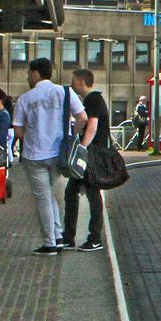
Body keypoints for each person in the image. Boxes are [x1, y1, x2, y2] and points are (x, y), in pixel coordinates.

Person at [12, 58, 89, 255]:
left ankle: (50, 243)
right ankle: (58, 236)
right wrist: (70, 136)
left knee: (43, 198)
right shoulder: (65, 92)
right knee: (49, 194)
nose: (28, 77)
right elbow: (82, 118)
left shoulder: (25, 99)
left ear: (36, 73)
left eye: (29, 73)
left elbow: (18, 131)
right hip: (59, 154)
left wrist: (33, 136)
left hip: (34, 155)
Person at [62, 68, 110, 251]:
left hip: (91, 155)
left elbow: (92, 126)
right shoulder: (93, 99)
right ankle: (72, 237)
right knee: (76, 192)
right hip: (92, 153)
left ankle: (93, 238)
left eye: (73, 81)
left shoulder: (92, 99)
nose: (72, 84)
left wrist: (81, 147)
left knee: (90, 193)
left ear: (81, 82)